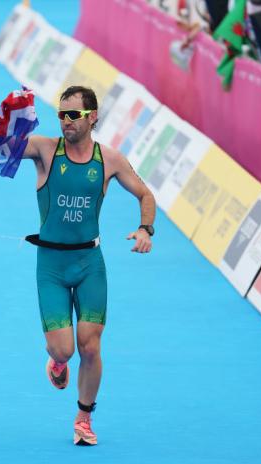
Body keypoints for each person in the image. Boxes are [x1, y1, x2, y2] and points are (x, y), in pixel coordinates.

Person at [21, 85, 156, 446]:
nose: (65, 121)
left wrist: (146, 228)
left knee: (91, 346)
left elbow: (145, 194)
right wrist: (5, 118)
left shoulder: (109, 160)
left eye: (73, 115)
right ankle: (59, 364)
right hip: (50, 264)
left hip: (89, 264)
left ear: (92, 117)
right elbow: (2, 146)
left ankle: (83, 418)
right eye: (61, 115)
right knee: (63, 349)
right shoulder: (45, 150)